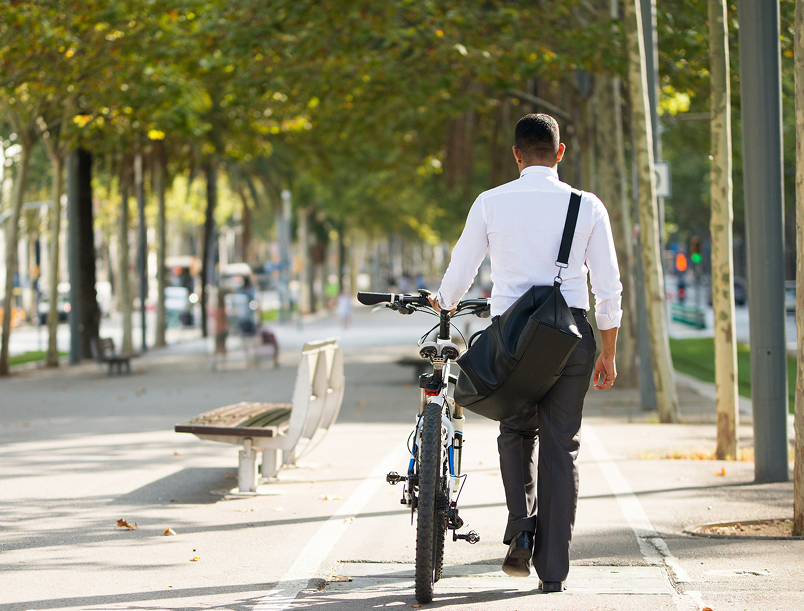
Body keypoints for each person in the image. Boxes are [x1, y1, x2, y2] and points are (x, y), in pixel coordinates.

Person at [429, 113, 622, 593]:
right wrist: (608, 353)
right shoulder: (587, 206)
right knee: (562, 447)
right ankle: (553, 572)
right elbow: (609, 288)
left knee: (515, 430)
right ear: (559, 153)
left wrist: (445, 300)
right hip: (572, 337)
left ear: (516, 155)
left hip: (514, 337)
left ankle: (520, 528)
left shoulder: (491, 203)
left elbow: (462, 269)